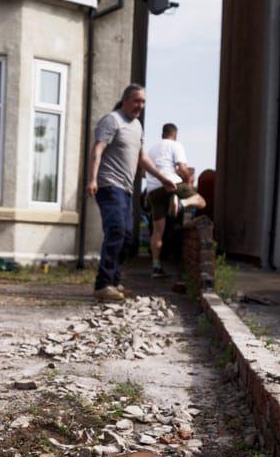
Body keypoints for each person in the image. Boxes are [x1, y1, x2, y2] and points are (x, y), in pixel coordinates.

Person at [85, 84, 178, 302]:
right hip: (109, 185)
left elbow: (142, 158)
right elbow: (98, 149)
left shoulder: (137, 126)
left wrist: (163, 178)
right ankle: (103, 285)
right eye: (137, 101)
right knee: (116, 230)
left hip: (127, 189)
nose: (140, 106)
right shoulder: (112, 120)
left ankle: (114, 282)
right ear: (125, 100)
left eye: (143, 102)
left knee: (127, 237)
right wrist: (92, 179)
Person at [143, 123, 206, 277]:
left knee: (158, 231)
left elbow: (144, 172)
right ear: (175, 134)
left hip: (153, 189)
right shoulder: (176, 145)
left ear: (162, 134)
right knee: (201, 201)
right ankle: (180, 203)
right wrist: (188, 179)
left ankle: (156, 267)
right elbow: (182, 168)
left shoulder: (151, 150)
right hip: (171, 182)